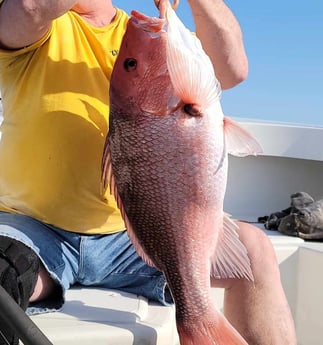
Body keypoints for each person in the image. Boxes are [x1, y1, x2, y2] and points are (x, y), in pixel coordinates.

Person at [0, 1, 297, 344]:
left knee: (254, 250)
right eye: (130, 64)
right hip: (37, 231)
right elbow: (29, 9)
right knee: (7, 269)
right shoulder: (38, 24)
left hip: (133, 236)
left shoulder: (144, 35)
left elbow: (233, 69)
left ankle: (199, 317)